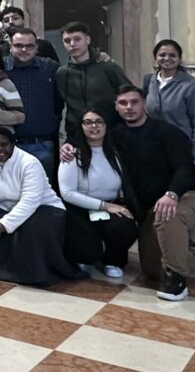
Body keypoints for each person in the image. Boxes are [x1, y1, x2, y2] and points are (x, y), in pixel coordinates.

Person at [95, 87, 195, 299]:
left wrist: (172, 194)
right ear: (116, 107)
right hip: (147, 209)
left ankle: (176, 281)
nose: (129, 107)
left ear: (144, 104)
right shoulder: (114, 135)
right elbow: (87, 137)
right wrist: (68, 145)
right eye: (123, 103)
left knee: (168, 215)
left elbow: (185, 169)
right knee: (152, 271)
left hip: (184, 197)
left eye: (134, 102)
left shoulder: (168, 132)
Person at [0, 127, 86, 285]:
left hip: (44, 208)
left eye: (4, 144)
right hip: (7, 208)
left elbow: (30, 201)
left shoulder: (30, 163)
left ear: (13, 144)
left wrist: (3, 225)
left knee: (32, 227)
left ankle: (36, 274)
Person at [143, 39, 195, 226]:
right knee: (166, 200)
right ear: (155, 57)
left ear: (179, 58)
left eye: (172, 55)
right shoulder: (150, 81)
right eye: (162, 55)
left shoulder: (191, 86)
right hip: (159, 150)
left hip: (186, 151)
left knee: (190, 201)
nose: (166, 58)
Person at [58, 109, 137, 278]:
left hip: (107, 208)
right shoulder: (72, 155)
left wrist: (113, 206)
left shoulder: (115, 153)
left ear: (106, 125)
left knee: (125, 226)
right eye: (88, 122)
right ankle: (84, 253)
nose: (94, 126)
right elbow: (67, 193)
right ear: (81, 127)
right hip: (78, 210)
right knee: (87, 253)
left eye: (99, 121)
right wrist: (106, 206)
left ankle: (112, 260)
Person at [56, 21, 133, 138]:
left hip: (112, 132)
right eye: (67, 41)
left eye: (77, 39)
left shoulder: (108, 67)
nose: (72, 44)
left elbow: (129, 95)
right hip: (78, 135)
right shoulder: (62, 73)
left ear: (87, 40)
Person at [5, 28, 63, 176]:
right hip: (6, 147)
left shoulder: (50, 67)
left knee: (43, 195)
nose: (24, 49)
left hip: (41, 145)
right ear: (10, 47)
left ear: (36, 48)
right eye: (18, 45)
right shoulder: (0, 67)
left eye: (29, 46)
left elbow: (59, 101)